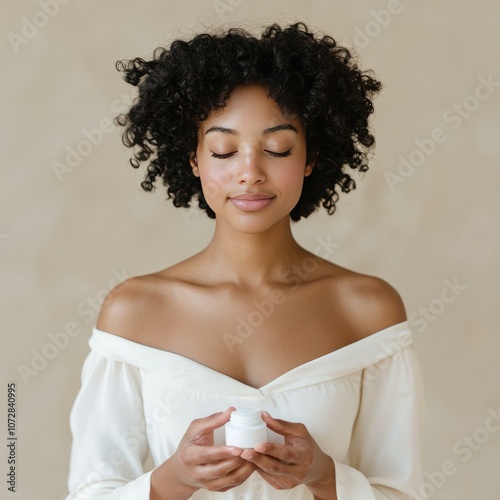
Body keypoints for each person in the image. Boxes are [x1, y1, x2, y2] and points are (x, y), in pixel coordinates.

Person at [66, 22, 426, 500]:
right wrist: (174, 478)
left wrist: (323, 475)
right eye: (223, 149)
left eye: (277, 148)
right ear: (194, 158)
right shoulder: (135, 311)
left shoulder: (365, 309)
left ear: (311, 156)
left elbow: (402, 492)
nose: (250, 173)